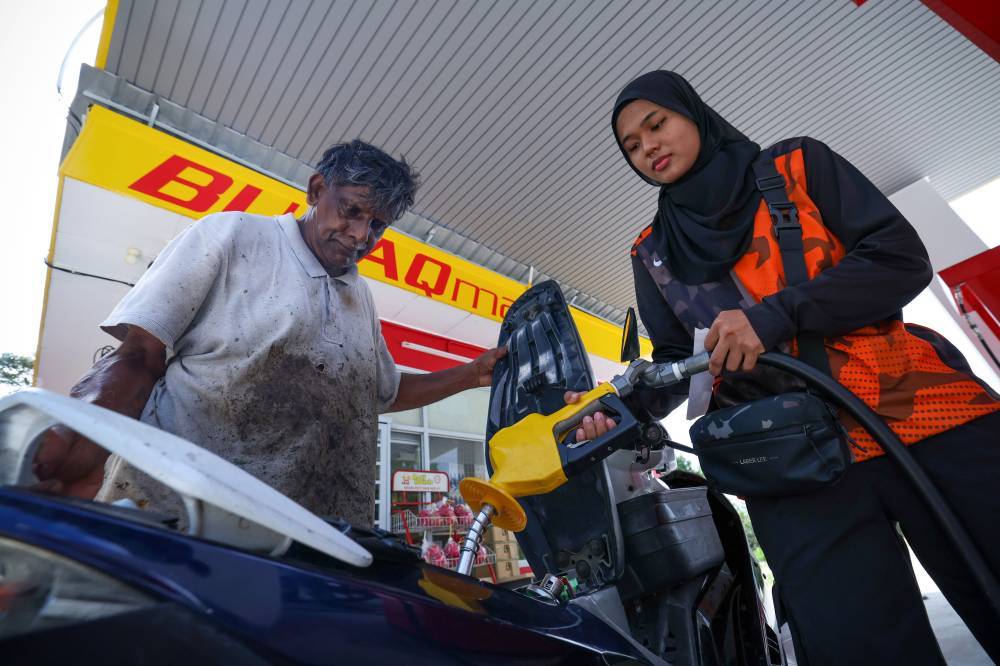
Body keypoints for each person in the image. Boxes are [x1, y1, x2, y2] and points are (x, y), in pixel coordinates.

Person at [573, 70, 1000, 664]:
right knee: (863, 649)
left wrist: (775, 317)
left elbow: (900, 259)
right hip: (789, 463)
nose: (648, 146)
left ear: (693, 114)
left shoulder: (796, 167)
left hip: (919, 415)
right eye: (632, 145)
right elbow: (678, 362)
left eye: (656, 124)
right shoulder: (653, 253)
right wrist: (613, 412)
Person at [33, 139, 505, 527]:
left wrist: (470, 374)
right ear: (317, 189)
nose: (362, 236)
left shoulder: (360, 297)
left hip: (316, 539)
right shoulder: (232, 236)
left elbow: (385, 392)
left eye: (377, 225)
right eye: (352, 211)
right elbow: (140, 354)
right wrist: (80, 431)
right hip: (178, 519)